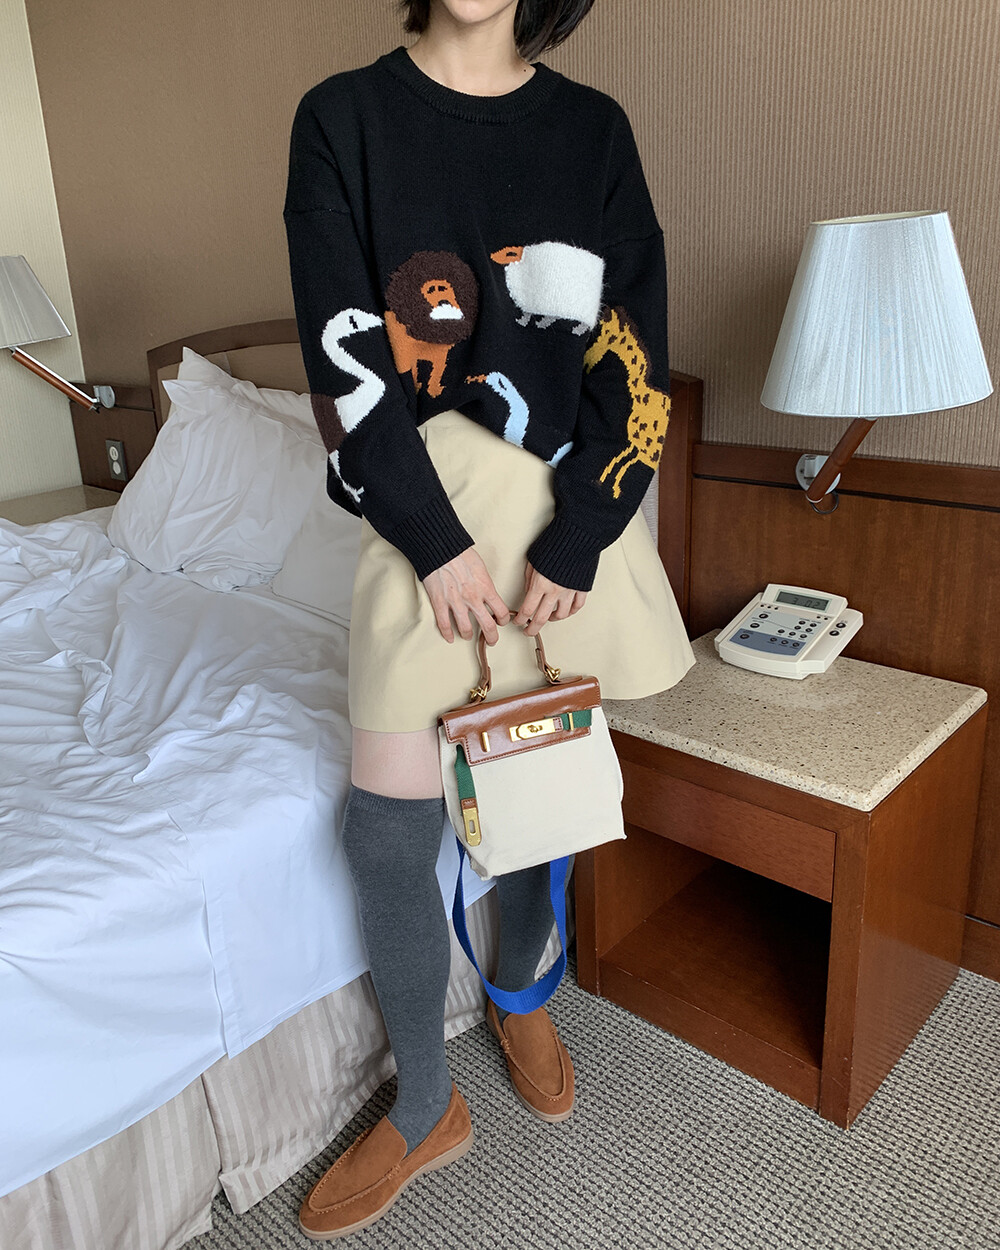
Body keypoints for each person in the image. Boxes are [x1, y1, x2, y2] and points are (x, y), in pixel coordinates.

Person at [282, 0, 697, 1238]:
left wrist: (583, 532)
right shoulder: (342, 119)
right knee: (384, 830)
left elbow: (633, 348)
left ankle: (522, 991)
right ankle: (425, 1102)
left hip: (562, 518)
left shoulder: (592, 130)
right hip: (422, 510)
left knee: (535, 783)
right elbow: (341, 356)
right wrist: (431, 538)